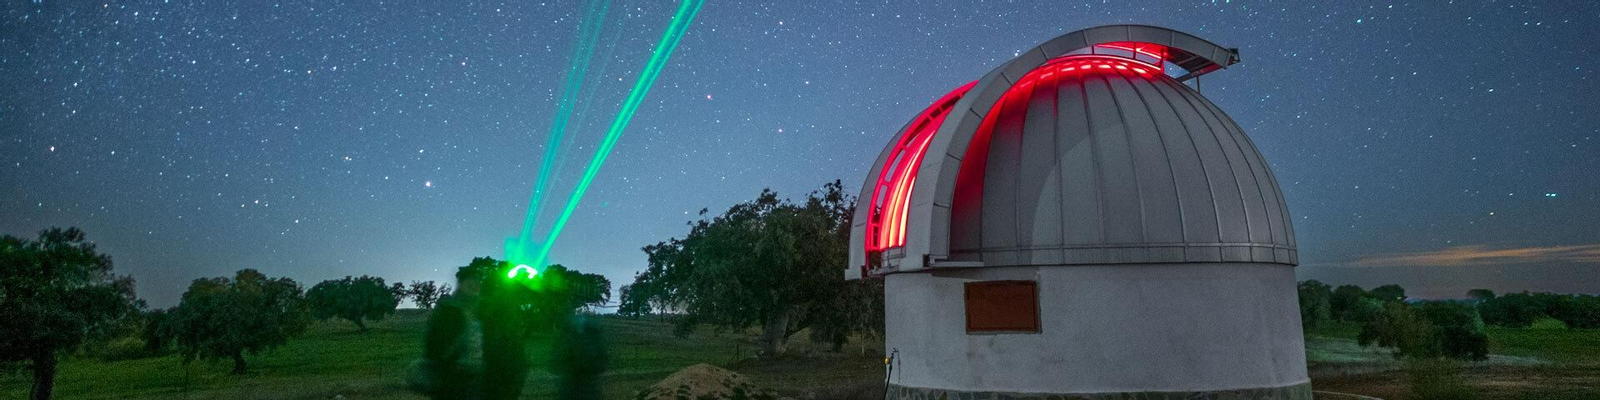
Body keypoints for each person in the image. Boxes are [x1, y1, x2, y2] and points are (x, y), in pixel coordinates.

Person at [412, 266, 485, 399]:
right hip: (450, 382)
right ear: (460, 284)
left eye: (478, 281)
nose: (475, 284)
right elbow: (434, 346)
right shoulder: (447, 310)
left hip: (473, 381)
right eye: (471, 280)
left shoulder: (478, 311)